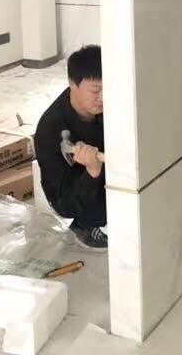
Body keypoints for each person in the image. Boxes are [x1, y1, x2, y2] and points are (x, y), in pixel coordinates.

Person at [34, 45, 107, 250]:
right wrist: (92, 172)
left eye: (109, 88)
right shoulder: (50, 129)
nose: (103, 97)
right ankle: (86, 227)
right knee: (98, 212)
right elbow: (62, 204)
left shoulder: (115, 104)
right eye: (96, 91)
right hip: (77, 198)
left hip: (113, 174)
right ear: (72, 83)